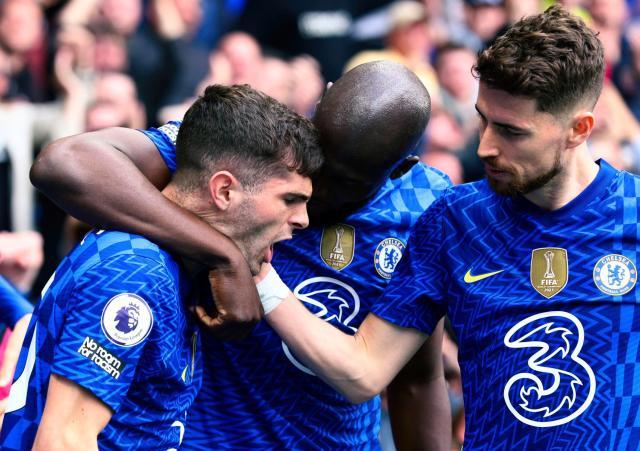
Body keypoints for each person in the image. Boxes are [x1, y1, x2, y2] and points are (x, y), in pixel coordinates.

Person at [256, 5, 640, 449]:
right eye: (483, 119)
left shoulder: (633, 212)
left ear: (579, 129)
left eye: (512, 131)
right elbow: (364, 370)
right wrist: (256, 273)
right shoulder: (454, 218)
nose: (485, 147)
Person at [30, 61, 452, 449]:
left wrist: (249, 275)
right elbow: (64, 163)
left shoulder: (423, 206)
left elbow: (418, 377)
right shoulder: (256, 148)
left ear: (401, 167)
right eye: (318, 165)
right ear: (319, 101)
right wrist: (225, 256)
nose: (317, 192)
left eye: (344, 182)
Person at [0, 84, 322, 449]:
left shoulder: (171, 267)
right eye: (290, 199)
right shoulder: (137, 271)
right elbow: (63, 440)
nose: (303, 219)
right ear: (224, 191)